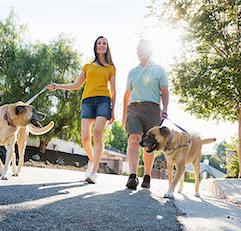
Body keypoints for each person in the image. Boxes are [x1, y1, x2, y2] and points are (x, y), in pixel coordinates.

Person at [48, 36, 115, 184]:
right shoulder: (87, 66)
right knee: (85, 138)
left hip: (103, 101)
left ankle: (94, 171)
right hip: (87, 101)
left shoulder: (111, 68)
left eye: (104, 43)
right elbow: (76, 85)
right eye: (99, 43)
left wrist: (113, 109)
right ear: (95, 47)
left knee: (97, 133)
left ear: (107, 47)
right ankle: (92, 160)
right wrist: (58, 85)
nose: (102, 46)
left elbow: (114, 91)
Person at [122, 39, 169, 190]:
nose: (139, 52)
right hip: (134, 109)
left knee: (149, 144)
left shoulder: (159, 70)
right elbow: (127, 94)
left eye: (142, 49)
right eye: (138, 49)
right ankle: (133, 176)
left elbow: (165, 92)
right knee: (134, 139)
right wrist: (124, 115)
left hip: (153, 109)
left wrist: (165, 109)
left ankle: (147, 175)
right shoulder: (132, 72)